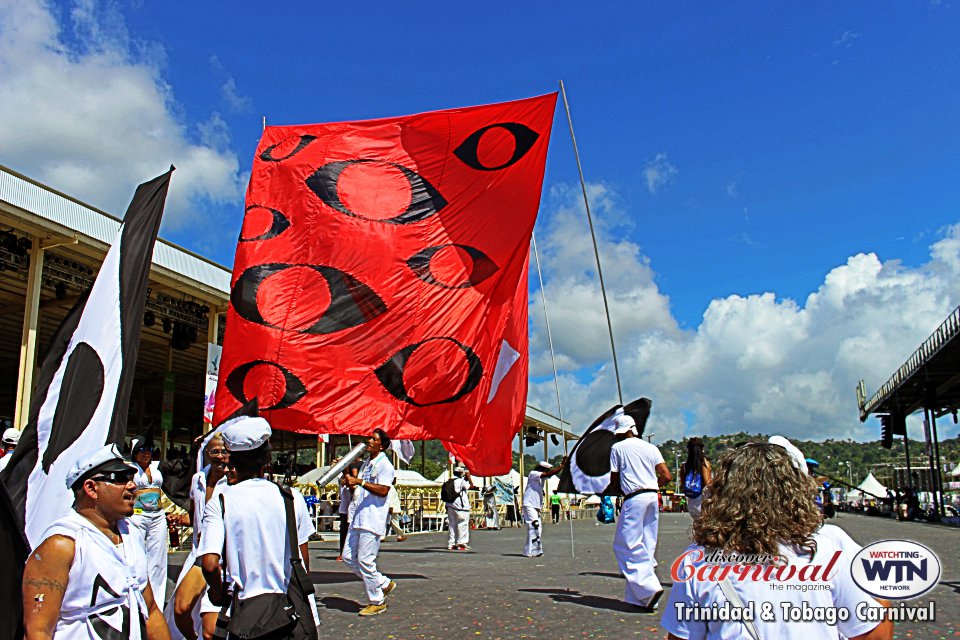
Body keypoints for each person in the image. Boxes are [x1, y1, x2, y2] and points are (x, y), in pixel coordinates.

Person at [661, 442, 893, 640]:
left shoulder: (699, 560)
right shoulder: (825, 549)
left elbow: (681, 636)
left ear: (724, 493)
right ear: (795, 492)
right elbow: (874, 634)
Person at [22, 444, 171, 640]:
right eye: (120, 479)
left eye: (131, 478)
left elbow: (150, 610)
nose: (132, 485)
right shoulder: (62, 545)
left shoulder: (131, 533)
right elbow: (38, 632)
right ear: (91, 488)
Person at [200, 417, 319, 640]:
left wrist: (217, 594)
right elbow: (302, 559)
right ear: (266, 458)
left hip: (247, 614)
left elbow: (209, 564)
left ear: (231, 459)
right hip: (289, 610)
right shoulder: (291, 498)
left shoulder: (221, 502)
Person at [164, 433, 229, 640]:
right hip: (197, 555)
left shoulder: (234, 483)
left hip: (222, 558)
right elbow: (194, 515)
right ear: (207, 454)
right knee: (180, 609)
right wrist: (179, 518)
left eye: (224, 451)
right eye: (215, 451)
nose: (220, 456)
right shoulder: (198, 479)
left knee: (211, 628)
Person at [609, 414, 671, 611]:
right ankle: (637, 597)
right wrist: (653, 485)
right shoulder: (651, 448)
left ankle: (648, 587)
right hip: (652, 496)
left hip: (634, 497)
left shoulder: (617, 448)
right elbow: (667, 475)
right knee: (646, 542)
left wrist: (619, 491)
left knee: (625, 543)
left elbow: (614, 479)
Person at [341, 429, 397, 616]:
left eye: (373, 439)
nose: (369, 441)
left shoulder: (385, 466)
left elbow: (383, 490)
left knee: (366, 560)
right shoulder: (366, 463)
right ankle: (382, 583)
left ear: (381, 445)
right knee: (348, 557)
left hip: (372, 518)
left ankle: (377, 600)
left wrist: (360, 482)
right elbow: (360, 488)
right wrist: (351, 483)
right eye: (370, 438)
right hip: (358, 516)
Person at [128, 439, 171, 606]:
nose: (146, 453)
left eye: (149, 449)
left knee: (158, 559)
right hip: (137, 515)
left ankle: (157, 603)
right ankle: (137, 600)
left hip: (157, 516)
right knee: (137, 555)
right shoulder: (130, 468)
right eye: (142, 449)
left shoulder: (156, 466)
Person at [522, 460, 563, 557]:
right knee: (534, 526)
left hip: (536, 505)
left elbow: (550, 474)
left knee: (538, 529)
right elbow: (549, 473)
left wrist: (561, 465)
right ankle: (530, 551)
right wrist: (561, 466)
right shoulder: (533, 474)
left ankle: (533, 550)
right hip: (529, 503)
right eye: (546, 469)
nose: (547, 471)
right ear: (542, 468)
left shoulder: (542, 477)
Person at [679, 437, 711, 521]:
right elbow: (708, 483)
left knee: (698, 527)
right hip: (703, 504)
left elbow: (683, 485)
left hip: (691, 504)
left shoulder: (684, 467)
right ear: (701, 449)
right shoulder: (704, 464)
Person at [444, 466, 473, 550]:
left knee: (452, 525)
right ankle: (461, 543)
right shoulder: (461, 481)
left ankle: (451, 543)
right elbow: (471, 486)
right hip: (461, 507)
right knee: (462, 524)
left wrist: (465, 478)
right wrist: (469, 477)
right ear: (461, 473)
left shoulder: (449, 481)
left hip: (450, 506)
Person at [336, 464, 357, 561]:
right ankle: (342, 552)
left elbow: (354, 490)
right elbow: (341, 481)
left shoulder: (353, 480)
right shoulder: (341, 478)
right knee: (343, 532)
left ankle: (352, 552)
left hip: (352, 509)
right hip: (344, 509)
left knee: (352, 532)